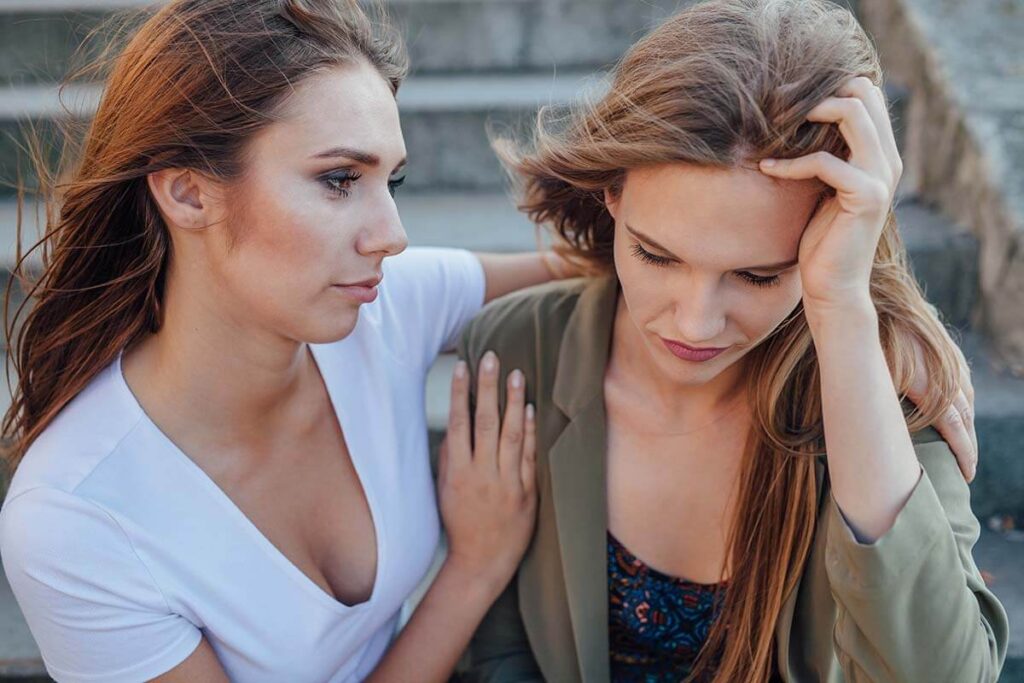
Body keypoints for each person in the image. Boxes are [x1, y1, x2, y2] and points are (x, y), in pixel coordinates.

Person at [0, 1, 560, 680]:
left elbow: (620, 268)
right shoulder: (76, 516)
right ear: (187, 194)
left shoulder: (385, 307)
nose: (392, 233)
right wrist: (472, 570)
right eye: (339, 180)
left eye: (393, 180)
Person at [455, 0, 1009, 681]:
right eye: (656, 256)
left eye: (756, 275)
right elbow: (502, 654)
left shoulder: (886, 383)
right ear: (612, 196)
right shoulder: (518, 352)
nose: (694, 323)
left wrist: (844, 309)